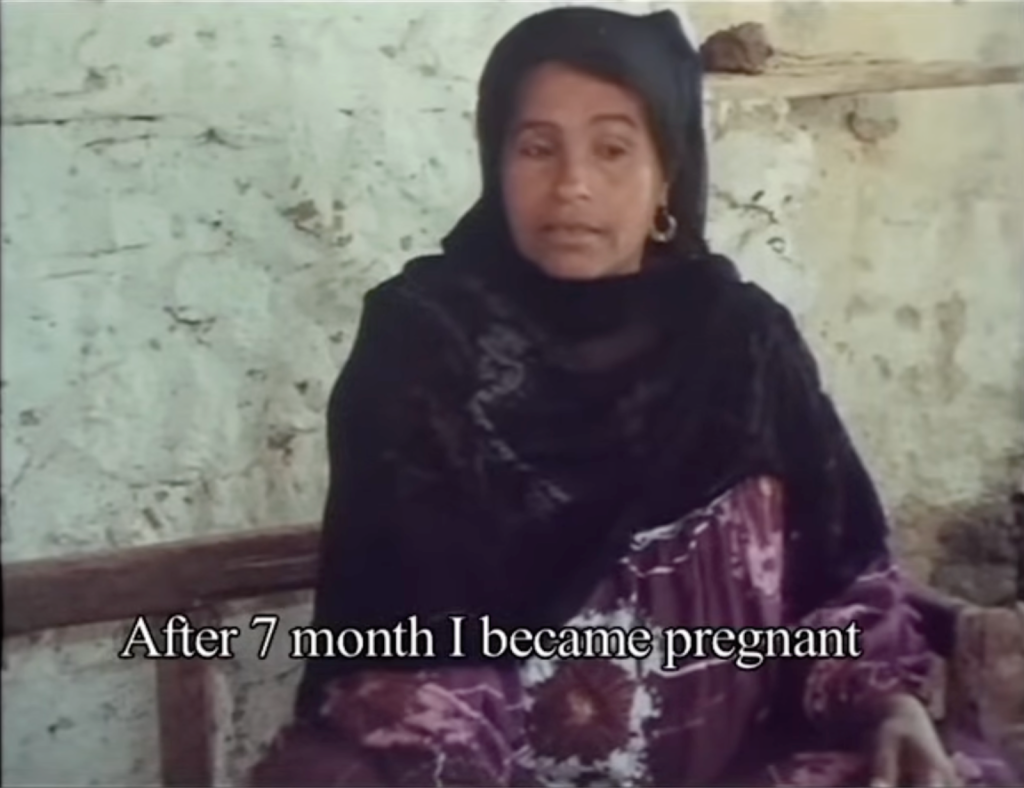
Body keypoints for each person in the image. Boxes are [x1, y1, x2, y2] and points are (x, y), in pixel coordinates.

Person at [249, 7, 1018, 787]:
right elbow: (409, 640)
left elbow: (839, 567)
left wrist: (884, 705)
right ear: (496, 162)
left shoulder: (741, 340)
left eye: (613, 149)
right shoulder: (424, 342)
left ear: (667, 174)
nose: (572, 184)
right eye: (536, 147)